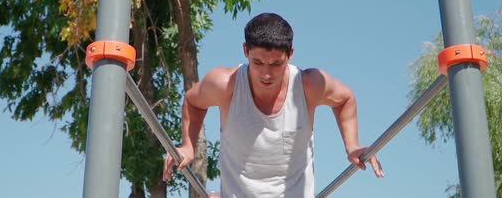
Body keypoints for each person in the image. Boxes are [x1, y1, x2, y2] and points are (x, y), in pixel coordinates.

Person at [163, 13, 384, 197]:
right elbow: (193, 101)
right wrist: (188, 145)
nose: (266, 74)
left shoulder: (308, 85)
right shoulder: (225, 84)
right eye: (258, 62)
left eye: (277, 64)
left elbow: (345, 99)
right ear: (245, 51)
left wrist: (352, 145)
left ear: (290, 55)